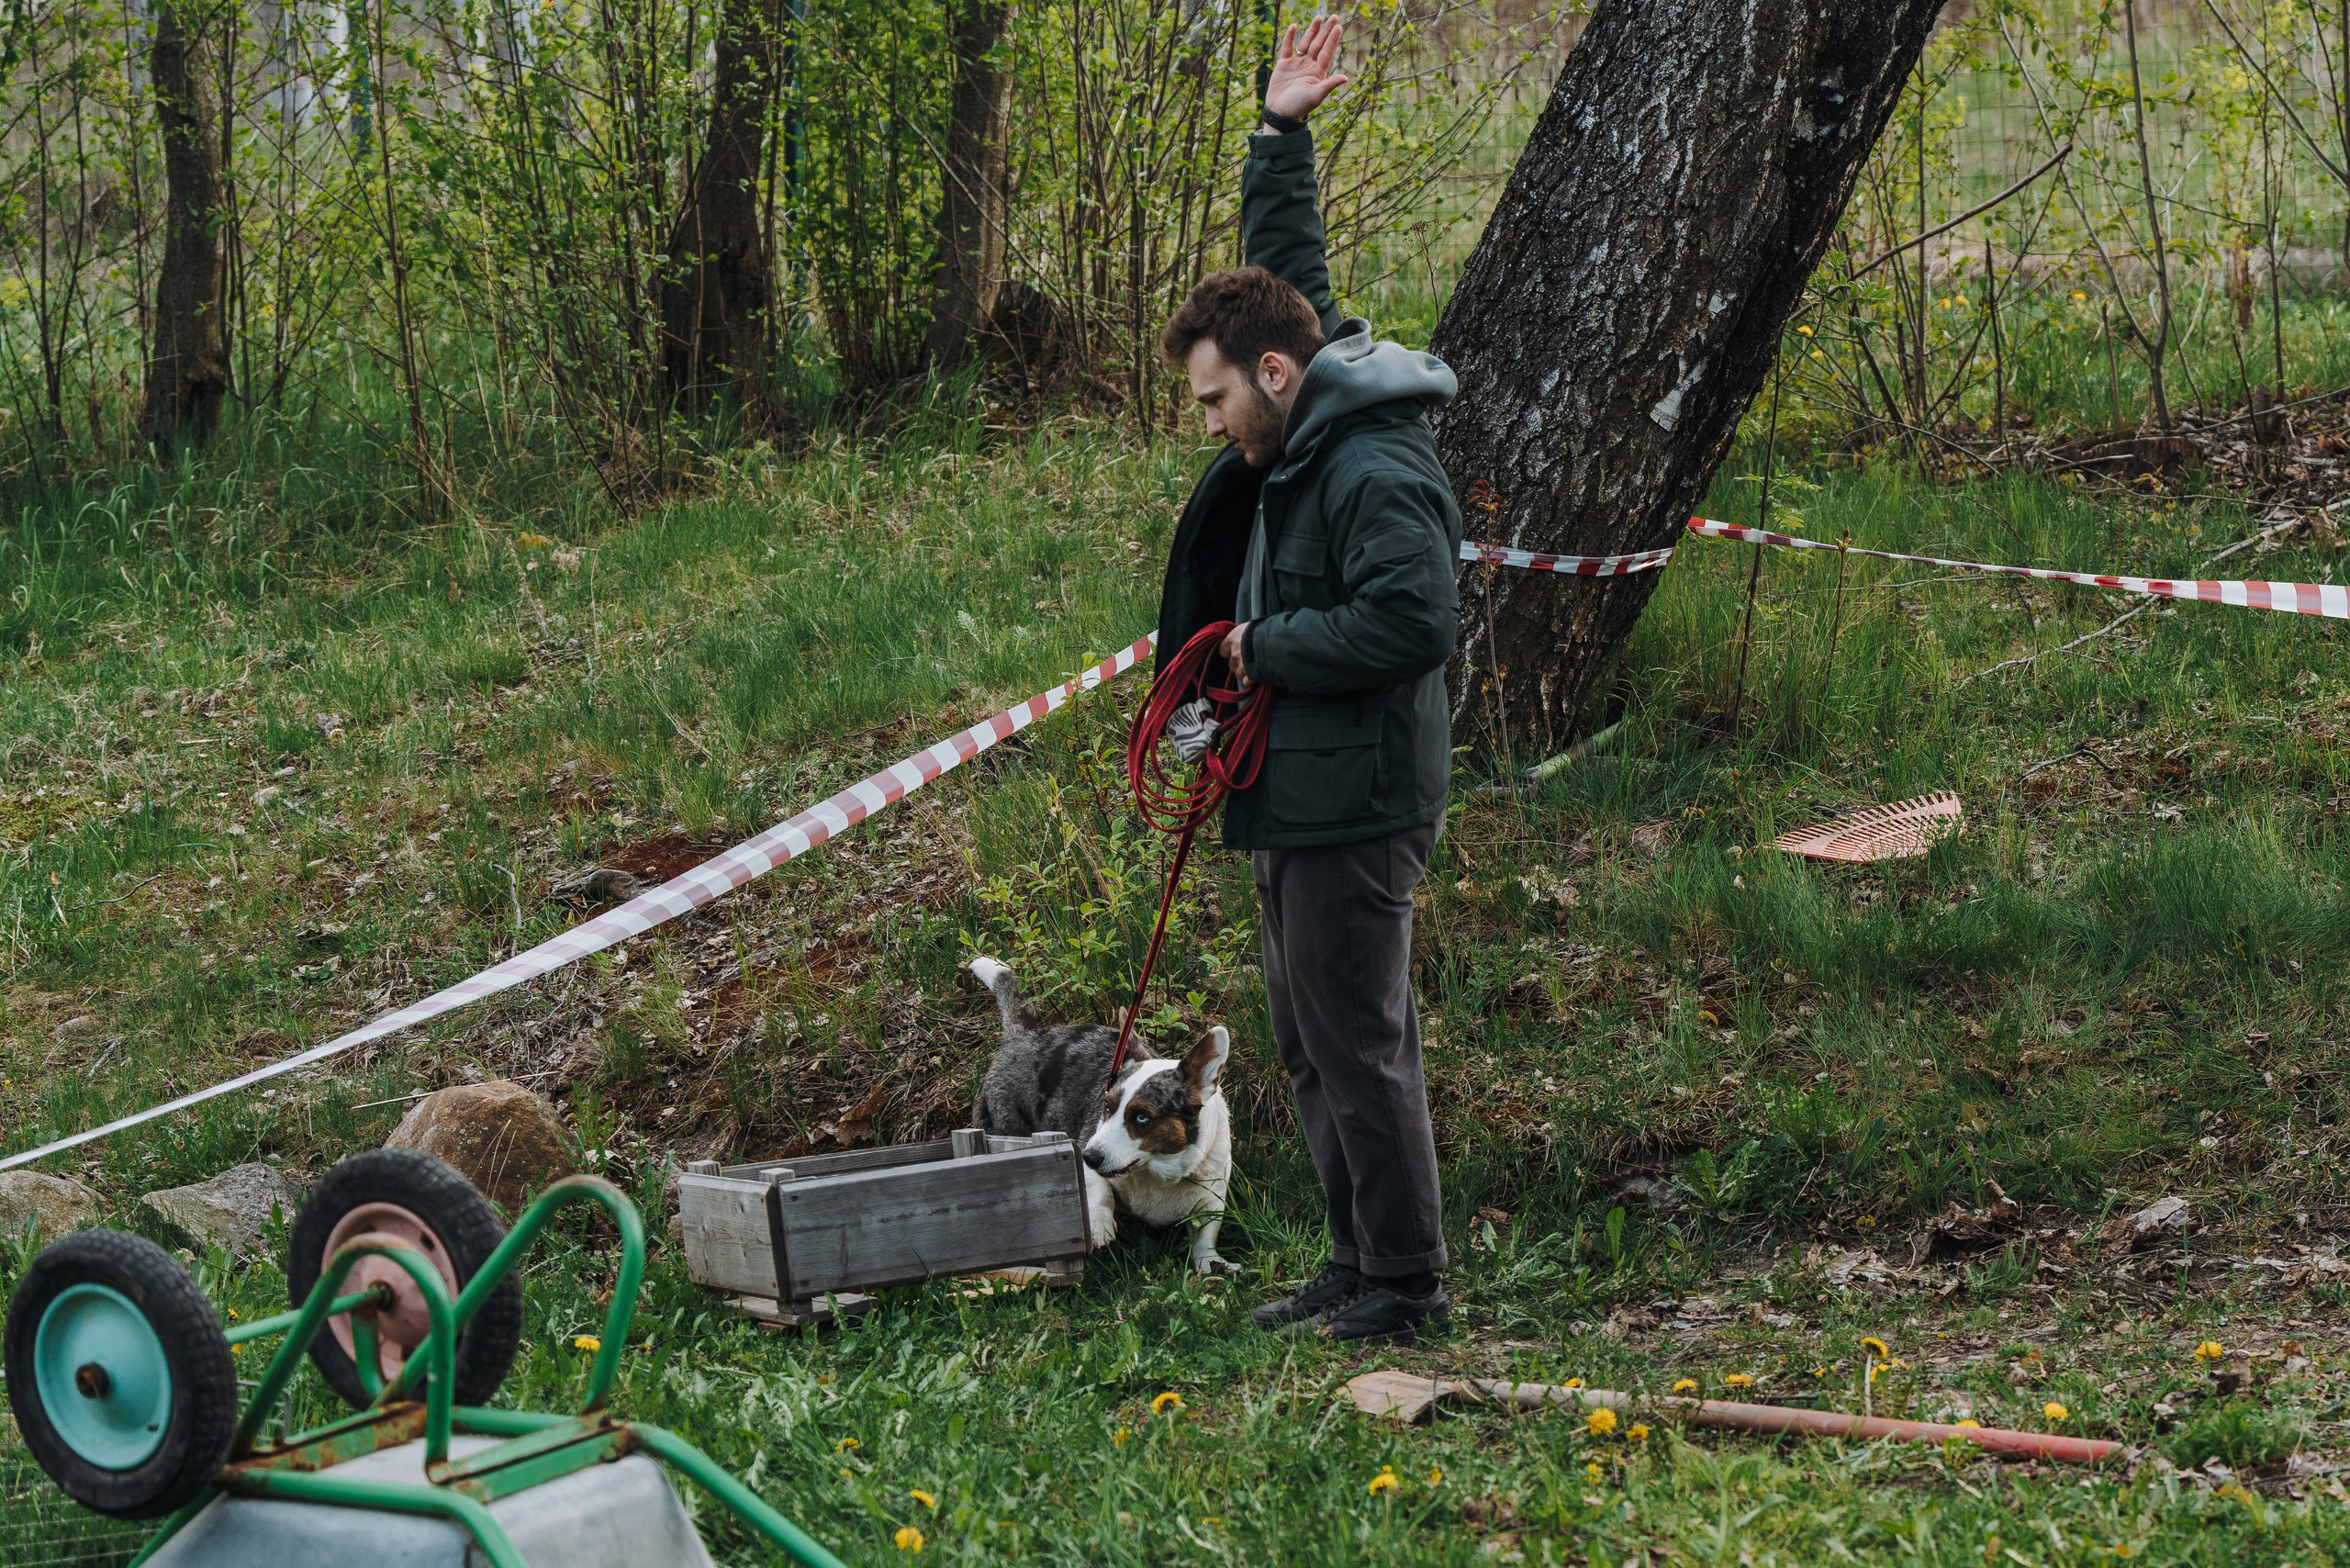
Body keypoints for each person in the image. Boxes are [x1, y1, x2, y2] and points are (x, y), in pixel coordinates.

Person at [1153, 17, 1461, 1345]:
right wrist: (1281, 136)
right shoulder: (1300, 409)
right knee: (1306, 1048)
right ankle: (1352, 1264)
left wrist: (1264, 647)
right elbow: (1280, 283)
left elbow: (1416, 618)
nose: (1213, 426)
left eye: (1218, 400)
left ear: (1276, 380)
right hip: (1295, 791)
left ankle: (1404, 1283)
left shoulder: (1373, 461)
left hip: (1360, 799)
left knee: (1360, 1046)